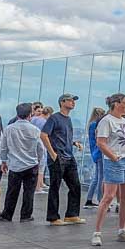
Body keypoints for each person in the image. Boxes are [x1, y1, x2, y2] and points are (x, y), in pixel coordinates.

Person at [91, 93, 125, 246]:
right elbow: (101, 142)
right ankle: (97, 232)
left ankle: (122, 229)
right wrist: (114, 157)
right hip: (115, 161)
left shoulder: (124, 120)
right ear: (116, 104)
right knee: (109, 196)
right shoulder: (106, 121)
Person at [41, 93, 85, 226]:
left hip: (69, 156)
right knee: (55, 187)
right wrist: (52, 153)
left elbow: (62, 137)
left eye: (73, 101)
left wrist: (73, 143)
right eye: (70, 100)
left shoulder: (68, 119)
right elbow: (44, 135)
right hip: (58, 157)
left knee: (75, 186)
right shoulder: (54, 118)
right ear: (62, 102)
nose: (73, 103)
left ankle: (72, 215)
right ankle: (53, 217)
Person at [0, 103, 42, 223]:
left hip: (15, 165)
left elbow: (4, 148)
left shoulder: (9, 129)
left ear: (17, 114)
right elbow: (40, 148)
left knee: (12, 191)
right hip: (31, 165)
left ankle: (7, 215)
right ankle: (26, 215)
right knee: (29, 192)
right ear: (30, 115)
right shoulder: (35, 130)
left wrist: (3, 161)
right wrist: (38, 160)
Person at [83, 107, 106, 208]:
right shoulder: (96, 125)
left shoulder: (91, 124)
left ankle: (89, 199)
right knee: (100, 177)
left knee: (96, 177)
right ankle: (100, 199)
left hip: (95, 153)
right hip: (99, 152)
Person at [29, 104, 48, 193]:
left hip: (32, 145)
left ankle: (38, 185)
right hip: (41, 145)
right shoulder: (44, 122)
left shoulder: (32, 120)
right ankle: (38, 187)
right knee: (41, 168)